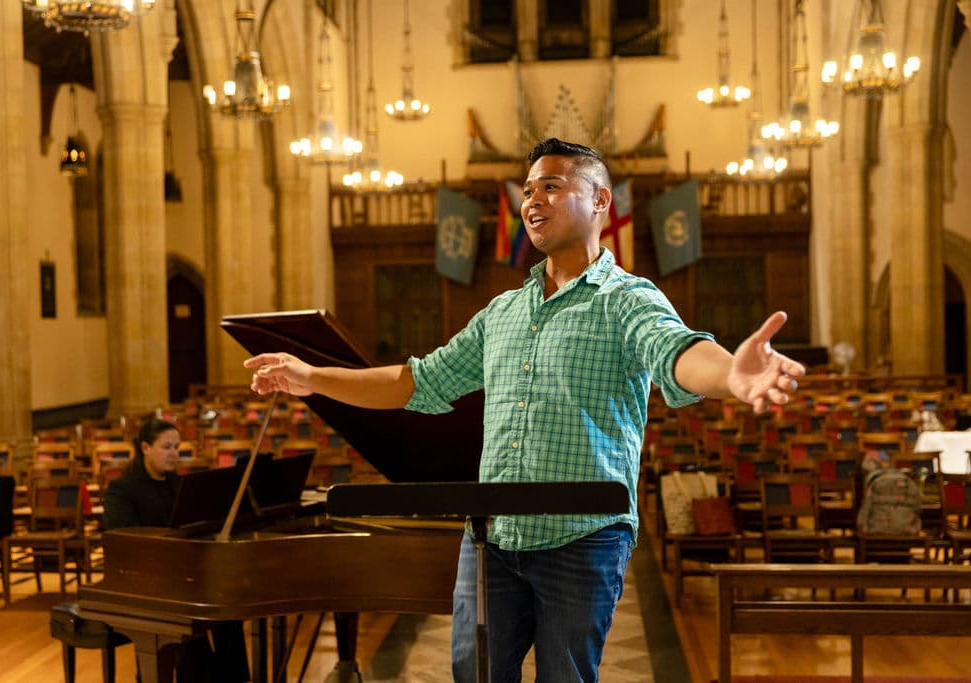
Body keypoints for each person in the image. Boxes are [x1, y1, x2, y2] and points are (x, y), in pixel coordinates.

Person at [244, 138, 806, 682]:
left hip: (582, 538)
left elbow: (678, 351)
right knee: (476, 674)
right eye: (529, 189)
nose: (532, 200)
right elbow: (417, 381)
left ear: (601, 201)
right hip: (491, 539)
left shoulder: (626, 298)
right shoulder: (503, 311)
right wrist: (312, 377)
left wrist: (731, 373)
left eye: (552, 186)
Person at [104, 418, 251, 683]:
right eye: (167, 447)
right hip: (144, 580)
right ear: (146, 447)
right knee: (191, 634)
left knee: (229, 615)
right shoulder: (122, 490)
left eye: (177, 447)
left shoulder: (178, 484)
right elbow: (123, 540)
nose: (174, 453)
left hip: (181, 575)